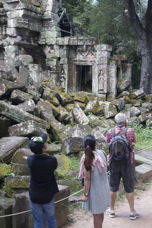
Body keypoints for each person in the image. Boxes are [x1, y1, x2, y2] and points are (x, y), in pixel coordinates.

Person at [105, 112, 140, 220]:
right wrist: (127, 127)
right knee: (129, 187)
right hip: (127, 163)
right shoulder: (130, 131)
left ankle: (112, 210)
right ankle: (132, 212)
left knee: (113, 187)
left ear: (115, 121)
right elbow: (134, 141)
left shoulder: (110, 132)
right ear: (125, 121)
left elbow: (107, 144)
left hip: (113, 163)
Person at [27, 133, 59, 228]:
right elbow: (52, 164)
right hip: (48, 196)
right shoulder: (52, 160)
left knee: (38, 222)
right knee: (51, 219)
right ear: (43, 147)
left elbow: (31, 158)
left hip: (35, 196)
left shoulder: (30, 160)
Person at [79, 135, 110, 228]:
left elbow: (87, 179)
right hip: (104, 188)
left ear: (84, 145)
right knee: (100, 213)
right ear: (95, 144)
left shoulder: (86, 158)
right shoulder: (102, 153)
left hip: (95, 191)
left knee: (96, 215)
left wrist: (85, 195)